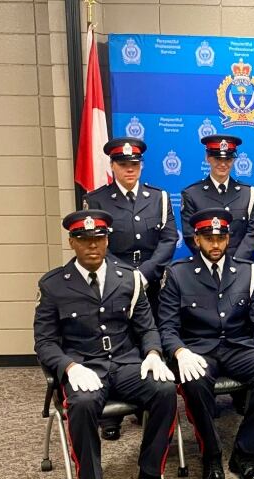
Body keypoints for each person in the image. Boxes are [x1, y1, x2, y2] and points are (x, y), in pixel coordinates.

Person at [34, 210, 181, 479]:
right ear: (72, 242)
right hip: (85, 368)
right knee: (83, 404)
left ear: (107, 240)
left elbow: (147, 327)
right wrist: (68, 367)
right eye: (84, 239)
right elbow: (44, 343)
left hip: (126, 365)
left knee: (165, 391)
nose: (92, 246)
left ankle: (150, 478)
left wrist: (155, 354)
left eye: (98, 239)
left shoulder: (128, 278)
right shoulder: (54, 285)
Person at [159, 208, 254, 479]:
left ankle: (245, 450)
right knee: (193, 381)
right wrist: (179, 352)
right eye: (208, 238)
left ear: (228, 238)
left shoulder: (246, 271)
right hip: (198, 350)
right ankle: (211, 456)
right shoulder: (178, 274)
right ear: (196, 239)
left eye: (220, 238)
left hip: (239, 347)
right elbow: (166, 328)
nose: (214, 244)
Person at [84, 136, 178, 440]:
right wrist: (126, 275)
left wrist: (145, 273)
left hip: (151, 281)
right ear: (112, 166)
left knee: (149, 335)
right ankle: (111, 418)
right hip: (113, 283)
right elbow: (95, 245)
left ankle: (142, 401)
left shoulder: (158, 198)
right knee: (117, 336)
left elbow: (168, 239)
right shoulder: (96, 201)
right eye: (123, 164)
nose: (129, 169)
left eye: (134, 164)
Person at [181, 135, 254, 261]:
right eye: (217, 158)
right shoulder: (191, 194)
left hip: (242, 267)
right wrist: (214, 262)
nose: (223, 164)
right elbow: (190, 236)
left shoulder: (249, 193)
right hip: (207, 268)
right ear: (207, 157)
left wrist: (234, 263)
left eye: (228, 158)